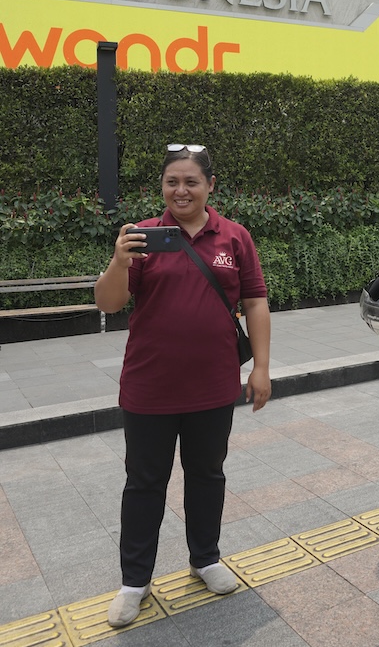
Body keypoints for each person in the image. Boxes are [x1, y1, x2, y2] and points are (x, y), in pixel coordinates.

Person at [95, 144, 272, 628]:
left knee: (207, 475)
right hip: (149, 388)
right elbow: (109, 304)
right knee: (144, 483)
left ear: (210, 185)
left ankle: (205, 558)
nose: (181, 190)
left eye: (191, 181)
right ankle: (134, 582)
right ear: (162, 187)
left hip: (213, 387)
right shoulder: (143, 237)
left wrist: (260, 367)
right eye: (172, 181)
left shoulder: (234, 237)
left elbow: (255, 301)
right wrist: (117, 260)